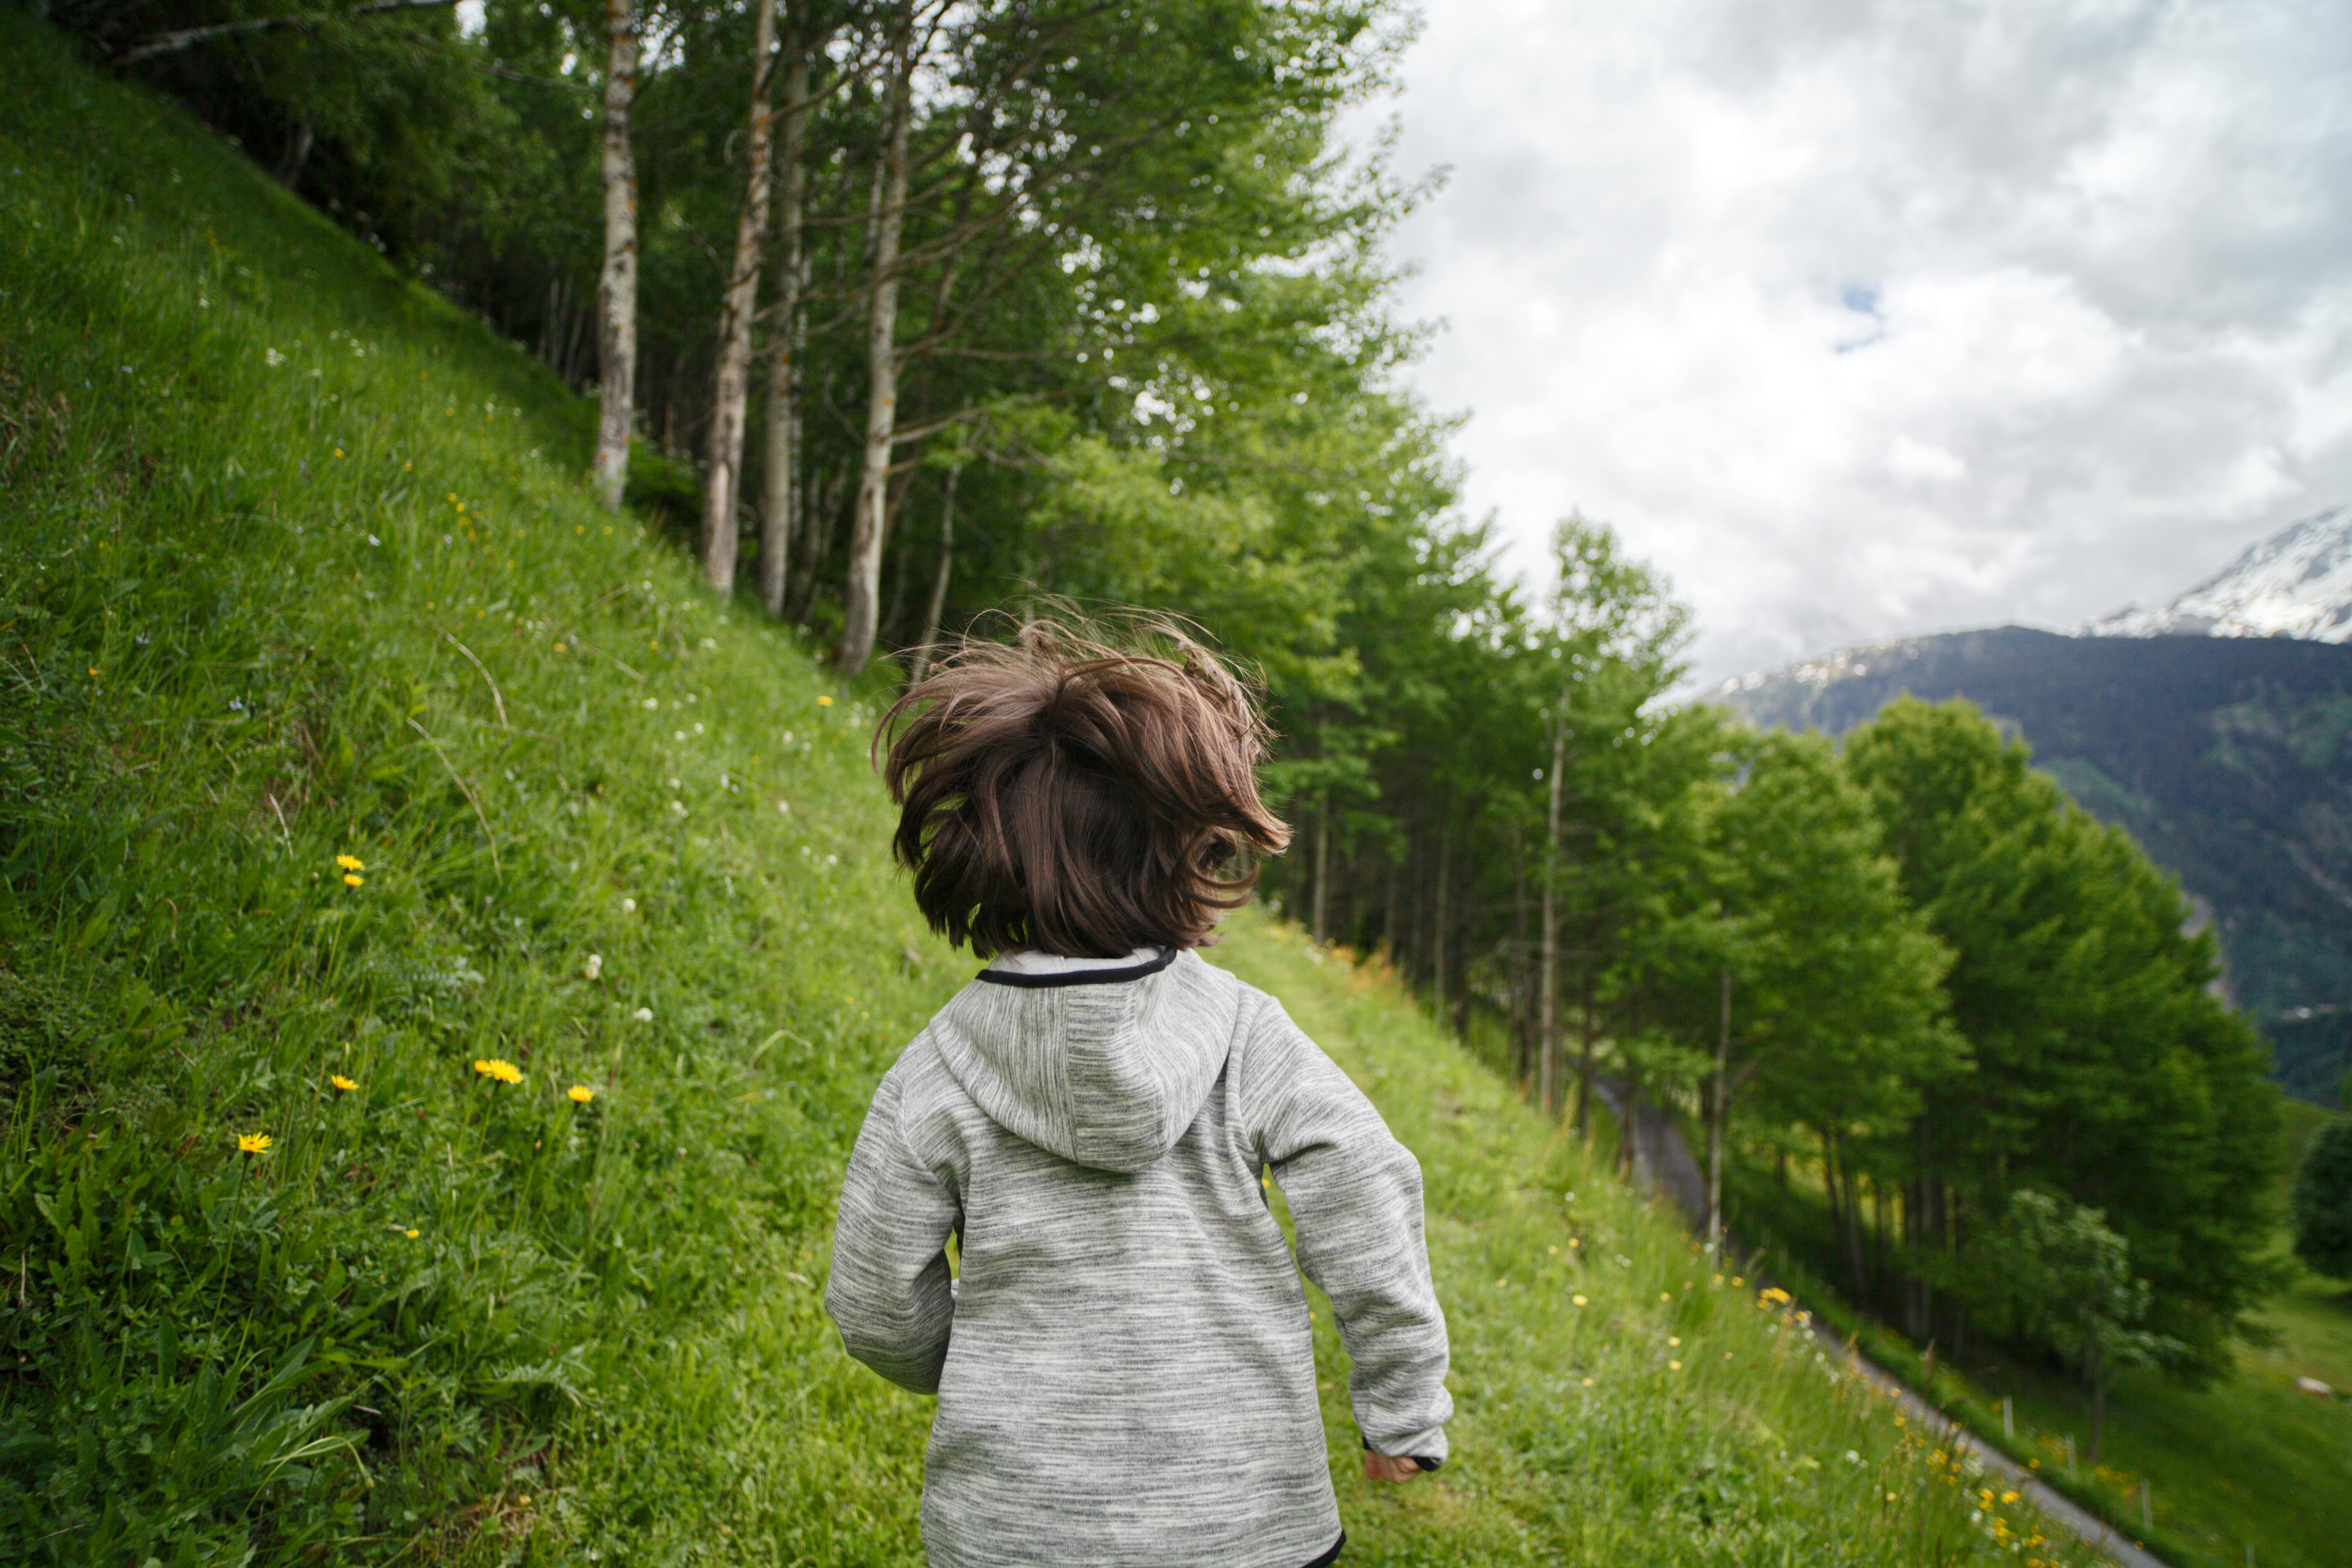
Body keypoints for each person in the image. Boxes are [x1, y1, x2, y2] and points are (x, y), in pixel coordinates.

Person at [823, 619, 1452, 1568]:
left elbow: (874, 1302)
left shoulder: (939, 1068)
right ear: (1187, 850)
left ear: (986, 850)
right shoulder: (1245, 1032)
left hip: (1015, 1531)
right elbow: (1363, 1185)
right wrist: (1403, 1405)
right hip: (1248, 1524)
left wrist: (983, 1371)